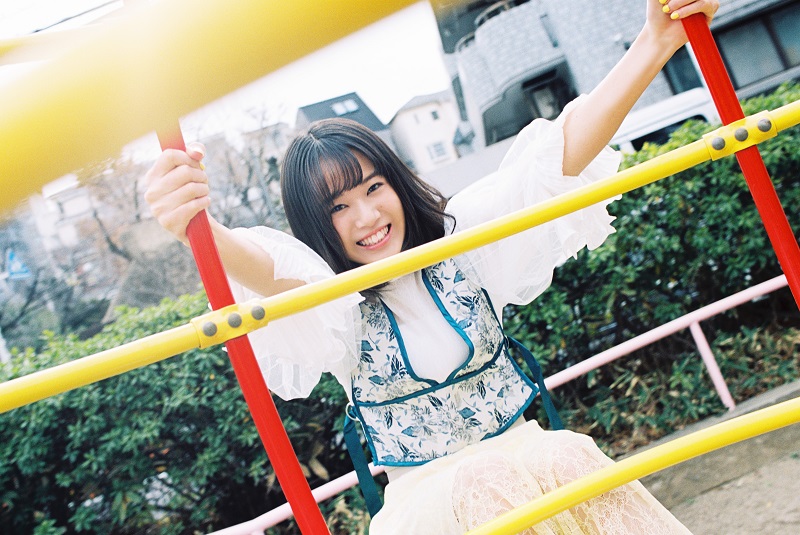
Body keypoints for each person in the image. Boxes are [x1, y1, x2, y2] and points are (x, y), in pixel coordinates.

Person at [144, 1, 718, 532]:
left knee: (570, 454)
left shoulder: (460, 242)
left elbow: (555, 159)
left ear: (397, 182)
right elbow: (270, 274)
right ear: (317, 226)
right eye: (338, 208)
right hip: (430, 501)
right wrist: (197, 222)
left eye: (374, 188)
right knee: (486, 478)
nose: (367, 216)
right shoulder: (336, 305)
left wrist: (655, 42)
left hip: (530, 457)